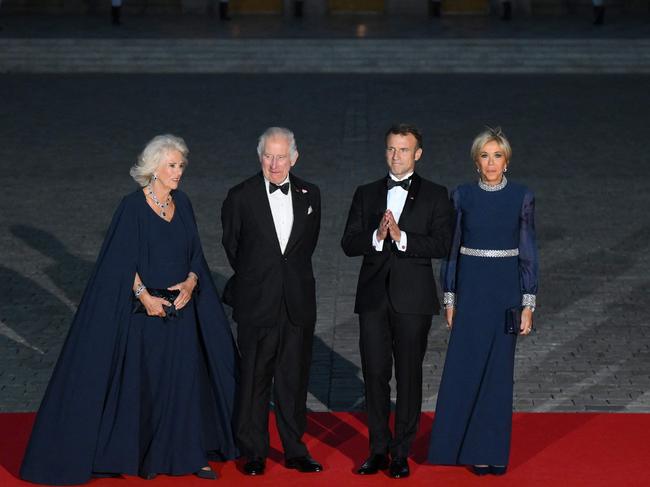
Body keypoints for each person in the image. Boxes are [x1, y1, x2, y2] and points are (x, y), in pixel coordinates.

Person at [20, 135, 238, 485]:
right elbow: (120, 262)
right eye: (171, 165)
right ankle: (148, 455)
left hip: (181, 310)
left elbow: (195, 252)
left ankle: (189, 455)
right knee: (150, 385)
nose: (178, 172)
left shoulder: (183, 203)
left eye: (181, 165)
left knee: (184, 384)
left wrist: (192, 283)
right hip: (145, 314)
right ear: (153, 168)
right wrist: (144, 297)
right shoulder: (132, 207)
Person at [341, 123, 453, 479]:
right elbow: (348, 243)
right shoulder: (366, 192)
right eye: (391, 148)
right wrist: (376, 238)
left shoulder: (436, 195)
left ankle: (401, 453)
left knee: (408, 376)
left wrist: (403, 238)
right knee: (374, 375)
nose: (396, 155)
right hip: (373, 298)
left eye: (404, 150)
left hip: (413, 300)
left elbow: (442, 244)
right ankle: (377, 450)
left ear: (417, 154)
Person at [428, 127, 538, 475]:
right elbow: (452, 251)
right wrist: (449, 297)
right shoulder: (461, 196)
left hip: (504, 292)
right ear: (476, 161)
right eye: (485, 156)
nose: (491, 163)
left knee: (498, 374)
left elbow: (528, 253)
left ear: (507, 161)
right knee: (464, 368)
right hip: (471, 291)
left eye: (498, 156)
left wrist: (528, 303)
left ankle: (491, 451)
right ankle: (457, 448)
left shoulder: (522, 196)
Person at [221, 127, 322, 476]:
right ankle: (253, 451)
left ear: (294, 158)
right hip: (256, 302)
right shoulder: (240, 196)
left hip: (296, 303)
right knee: (253, 379)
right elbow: (233, 246)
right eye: (269, 155)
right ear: (259, 156)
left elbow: (304, 248)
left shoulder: (312, 194)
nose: (275, 164)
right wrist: (258, 279)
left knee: (293, 379)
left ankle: (295, 450)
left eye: (282, 156)